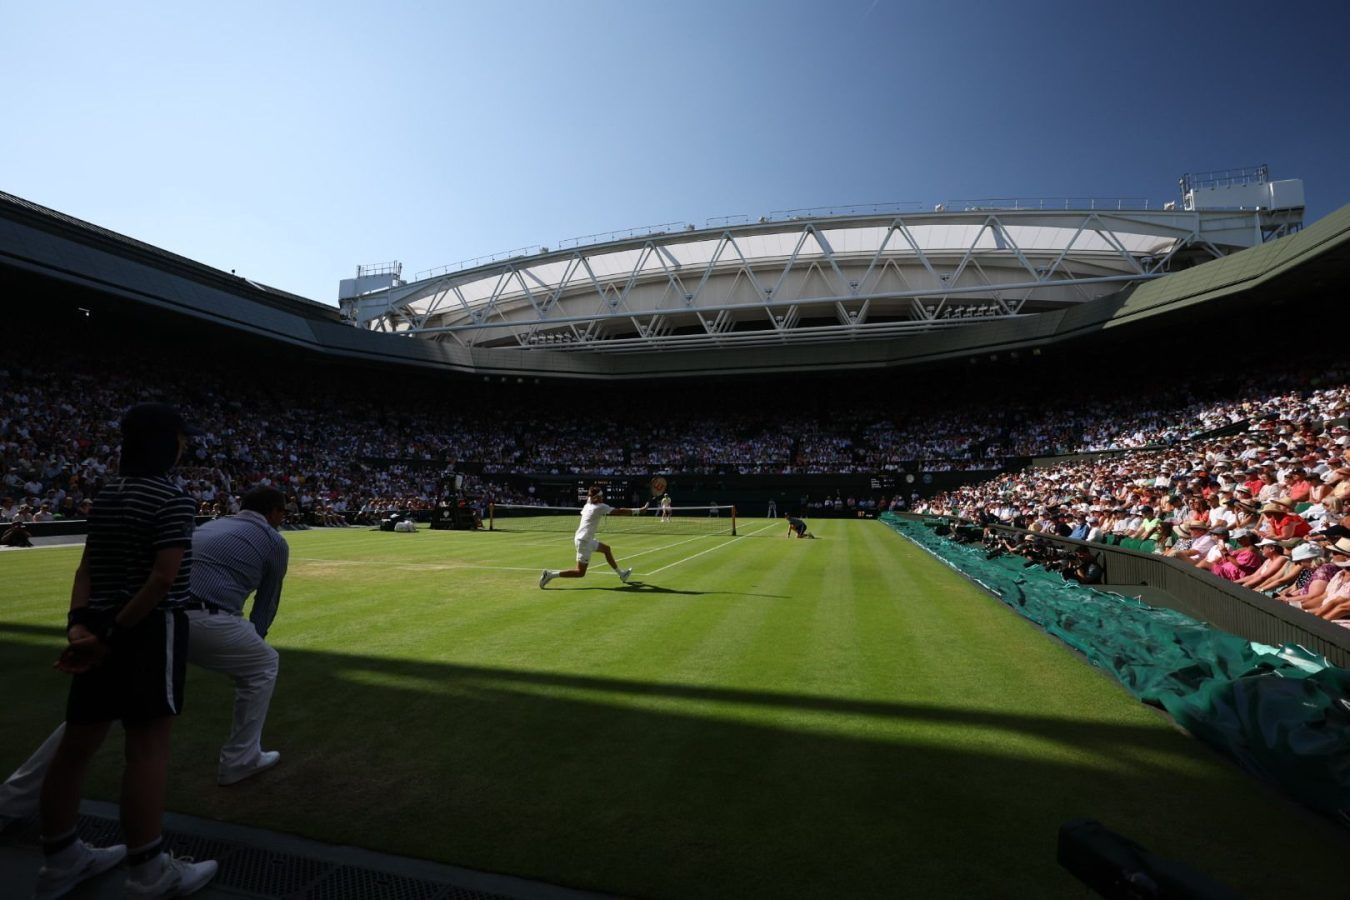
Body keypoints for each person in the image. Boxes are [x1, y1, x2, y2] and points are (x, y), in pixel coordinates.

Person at [2, 485, 292, 826]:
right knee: (264, 663)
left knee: (94, 713)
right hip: (199, 617)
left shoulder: (212, 524)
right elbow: (266, 605)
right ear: (274, 512)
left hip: (149, 616)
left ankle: (10, 801)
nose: (282, 519)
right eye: (282, 513)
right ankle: (240, 759)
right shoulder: (274, 541)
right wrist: (249, 640)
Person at [32, 403, 217, 899]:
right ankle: (147, 872)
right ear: (167, 443)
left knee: (76, 748)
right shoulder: (174, 497)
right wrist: (111, 633)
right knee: (148, 751)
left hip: (95, 627)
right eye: (181, 438)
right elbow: (162, 580)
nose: (185, 447)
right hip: (148, 633)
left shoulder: (108, 492)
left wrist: (80, 628)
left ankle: (60, 860)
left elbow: (85, 569)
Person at [539, 486, 646, 587]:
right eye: (601, 496)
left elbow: (590, 498)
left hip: (585, 539)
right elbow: (620, 511)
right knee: (580, 573)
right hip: (584, 541)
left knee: (606, 549)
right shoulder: (600, 507)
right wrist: (638, 511)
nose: (603, 498)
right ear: (596, 498)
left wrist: (593, 495)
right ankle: (550, 574)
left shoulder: (587, 505)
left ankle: (622, 574)